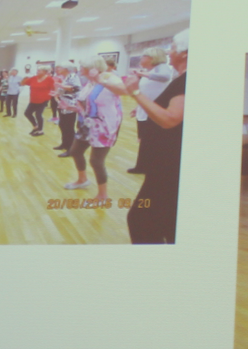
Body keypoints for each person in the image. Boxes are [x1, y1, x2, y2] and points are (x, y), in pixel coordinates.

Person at [106, 29, 189, 245]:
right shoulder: (181, 80)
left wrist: (136, 92)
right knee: (165, 224)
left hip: (168, 168)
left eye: (172, 48)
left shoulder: (185, 80)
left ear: (185, 53)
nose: (169, 52)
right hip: (164, 165)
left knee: (141, 220)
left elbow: (170, 119)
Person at [65, 55, 123, 203]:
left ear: (92, 68)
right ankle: (82, 179)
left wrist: (100, 79)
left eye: (82, 66)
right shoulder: (90, 82)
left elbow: (125, 91)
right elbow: (87, 104)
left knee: (96, 161)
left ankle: (103, 195)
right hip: (88, 123)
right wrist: (71, 107)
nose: (80, 69)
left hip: (105, 125)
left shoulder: (109, 78)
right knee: (75, 151)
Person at [125, 49, 176, 175]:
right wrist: (138, 107)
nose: (141, 58)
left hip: (154, 112)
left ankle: (149, 167)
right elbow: (148, 92)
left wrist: (141, 74)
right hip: (145, 111)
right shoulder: (150, 71)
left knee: (150, 141)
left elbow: (165, 77)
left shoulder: (162, 67)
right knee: (144, 140)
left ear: (152, 58)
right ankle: (142, 166)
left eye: (144, 56)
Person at [51, 64, 80, 156]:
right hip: (63, 104)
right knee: (62, 125)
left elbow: (76, 89)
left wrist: (60, 85)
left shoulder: (73, 76)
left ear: (66, 68)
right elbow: (64, 90)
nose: (57, 69)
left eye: (60, 67)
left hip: (70, 105)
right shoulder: (65, 77)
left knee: (69, 127)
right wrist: (57, 93)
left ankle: (71, 149)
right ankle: (64, 144)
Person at [21, 66, 57, 136]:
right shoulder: (33, 78)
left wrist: (54, 95)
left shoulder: (49, 79)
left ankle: (40, 130)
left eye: (39, 70)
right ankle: (35, 126)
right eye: (38, 70)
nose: (37, 71)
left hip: (43, 100)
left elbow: (54, 88)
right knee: (27, 113)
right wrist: (24, 78)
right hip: (33, 100)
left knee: (38, 114)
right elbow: (22, 84)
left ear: (45, 72)